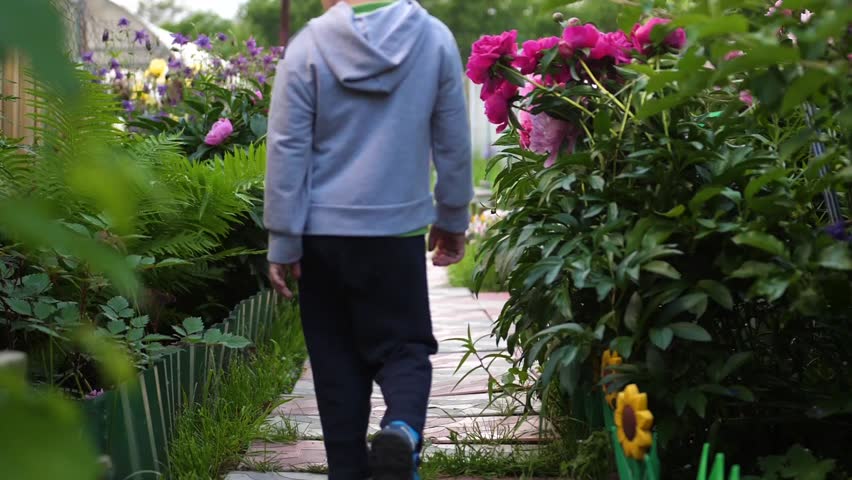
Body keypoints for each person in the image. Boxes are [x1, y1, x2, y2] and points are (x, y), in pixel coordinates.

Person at [263, 0, 472, 478]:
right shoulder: (434, 38)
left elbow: (287, 146)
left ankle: (347, 470)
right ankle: (401, 430)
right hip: (395, 235)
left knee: (335, 363)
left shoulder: (308, 46)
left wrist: (283, 237)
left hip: (321, 237)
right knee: (405, 349)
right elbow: (453, 138)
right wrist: (452, 217)